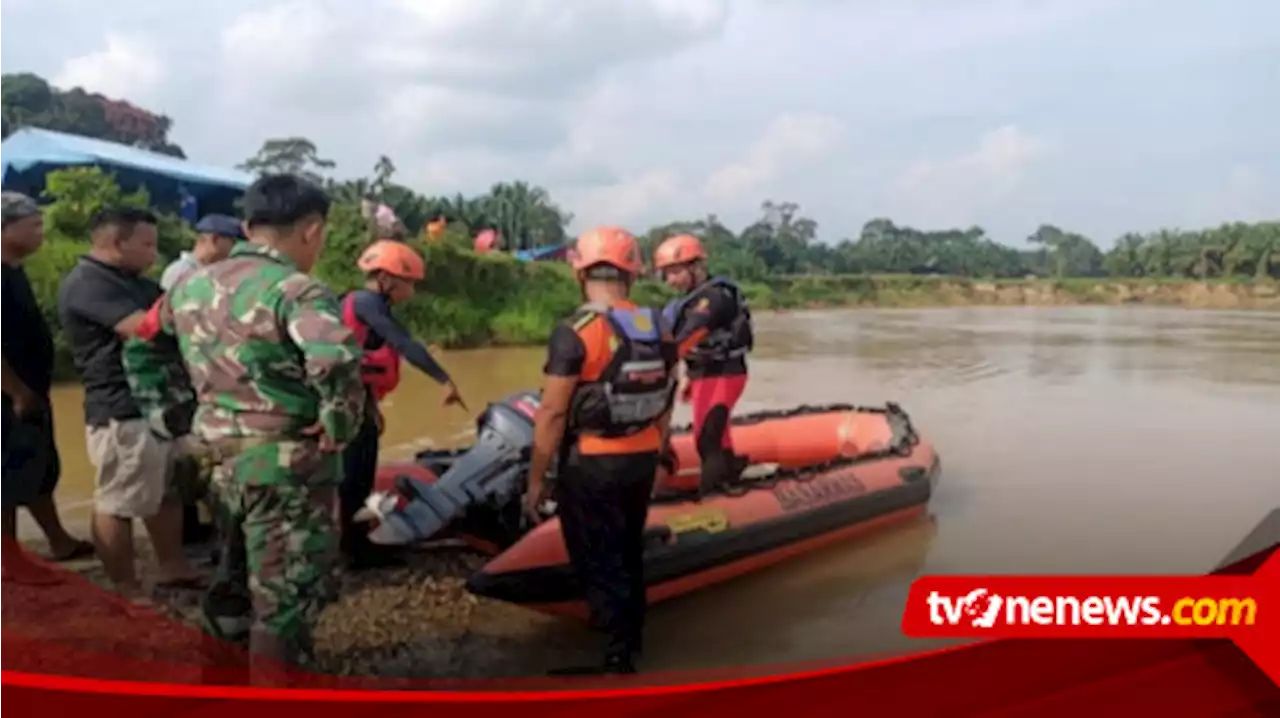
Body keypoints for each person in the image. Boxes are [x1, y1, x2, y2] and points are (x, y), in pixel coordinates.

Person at [142, 173, 365, 679]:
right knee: (283, 598)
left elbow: (142, 342)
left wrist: (170, 414)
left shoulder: (189, 285)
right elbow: (334, 358)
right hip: (285, 465)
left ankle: (219, 685)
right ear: (311, 230)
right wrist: (338, 421)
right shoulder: (297, 289)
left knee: (233, 575)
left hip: (214, 458)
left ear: (248, 226)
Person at [523, 226, 678, 676]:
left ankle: (617, 658)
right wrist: (662, 450)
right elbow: (669, 393)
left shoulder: (577, 331)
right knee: (627, 546)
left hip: (593, 462)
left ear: (580, 271)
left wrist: (537, 480)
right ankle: (630, 635)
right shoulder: (660, 326)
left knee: (598, 553)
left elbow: (552, 412)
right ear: (632, 272)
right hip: (643, 456)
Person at [56, 207, 202, 606]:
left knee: (166, 491)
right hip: (121, 408)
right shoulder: (88, 284)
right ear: (116, 243)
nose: (154, 253)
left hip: (158, 404)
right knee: (117, 500)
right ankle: (124, 587)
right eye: (147, 244)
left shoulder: (133, 280)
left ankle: (172, 565)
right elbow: (143, 327)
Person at [338, 239, 465, 571]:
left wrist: (373, 406)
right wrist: (444, 379)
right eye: (408, 281)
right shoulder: (366, 303)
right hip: (347, 404)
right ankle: (355, 551)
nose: (412, 288)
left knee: (360, 473)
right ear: (387, 279)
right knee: (355, 475)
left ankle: (356, 543)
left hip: (356, 400)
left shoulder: (366, 305)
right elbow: (405, 344)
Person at [0, 191, 93, 585]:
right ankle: (11, 561)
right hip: (8, 394)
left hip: (29, 389)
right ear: (5, 228)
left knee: (38, 466)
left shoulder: (13, 269)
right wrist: (16, 391)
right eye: (33, 225)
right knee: (5, 478)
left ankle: (57, 539)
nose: (41, 233)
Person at [652, 233, 754, 494]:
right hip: (704, 374)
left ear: (696, 267)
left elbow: (689, 336)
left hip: (725, 373)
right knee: (714, 433)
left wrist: (656, 367)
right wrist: (688, 376)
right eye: (666, 274)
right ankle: (731, 468)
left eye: (675, 272)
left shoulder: (714, 298)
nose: (670, 280)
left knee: (707, 439)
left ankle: (712, 494)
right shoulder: (688, 300)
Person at [160, 214, 245, 291]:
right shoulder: (180, 271)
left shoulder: (217, 271)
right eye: (233, 241)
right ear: (215, 240)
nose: (235, 247)